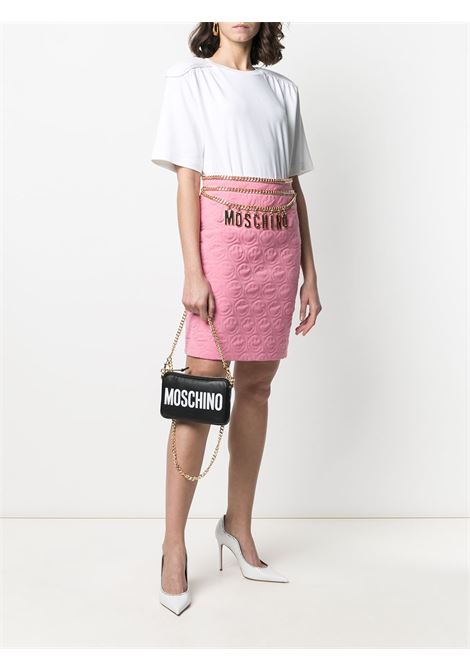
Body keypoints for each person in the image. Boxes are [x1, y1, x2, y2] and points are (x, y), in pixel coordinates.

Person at [151, 22, 322, 615]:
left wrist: (310, 273)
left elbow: (293, 187)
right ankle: (174, 545)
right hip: (222, 248)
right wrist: (193, 271)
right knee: (201, 390)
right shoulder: (190, 79)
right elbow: (188, 182)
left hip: (277, 248)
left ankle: (238, 527)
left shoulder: (283, 90)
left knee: (256, 388)